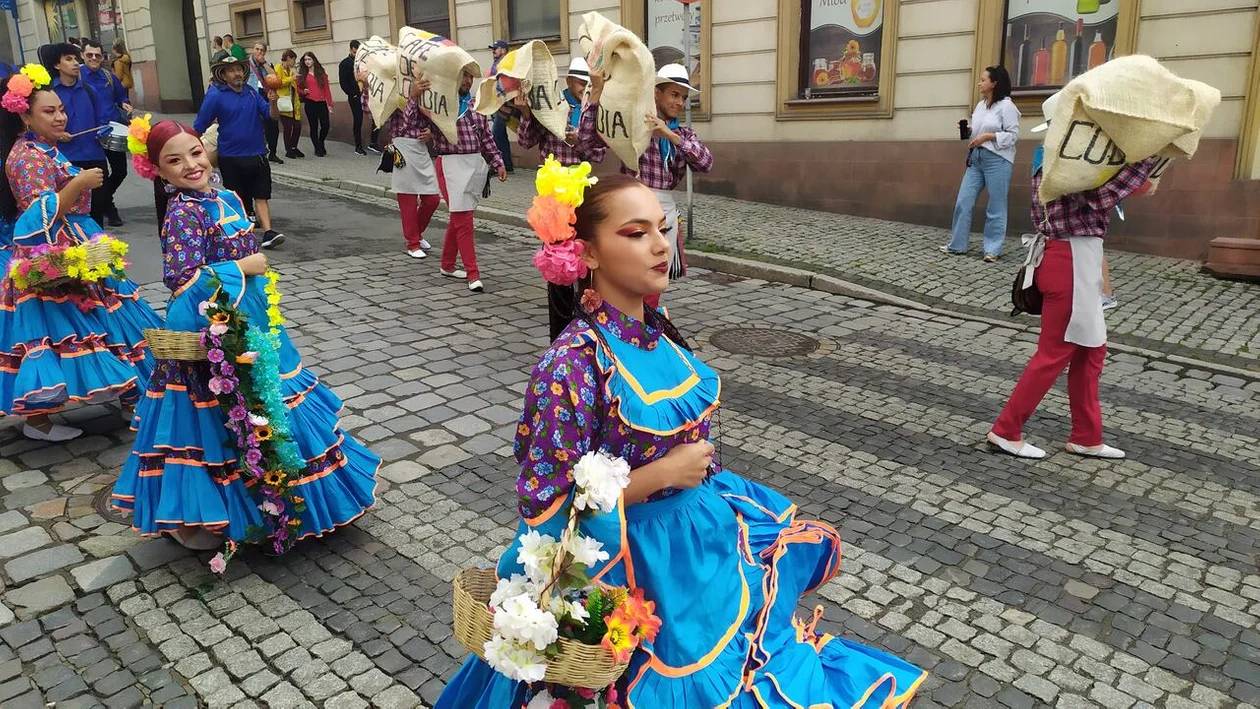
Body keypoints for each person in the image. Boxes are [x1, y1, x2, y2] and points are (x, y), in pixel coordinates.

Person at [435, 170, 926, 708]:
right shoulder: (570, 365)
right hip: (627, 570)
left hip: (699, 543)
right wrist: (659, 477)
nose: (661, 245)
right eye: (636, 232)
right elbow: (546, 506)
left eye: (664, 229)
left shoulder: (659, 325)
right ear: (588, 254)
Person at [111, 120, 380, 551]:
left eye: (195, 153)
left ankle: (282, 498)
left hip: (256, 319)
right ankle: (204, 515)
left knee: (273, 401)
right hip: (221, 327)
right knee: (219, 419)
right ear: (158, 172)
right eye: (174, 161)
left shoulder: (226, 196)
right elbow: (180, 280)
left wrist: (249, 270)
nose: (190, 165)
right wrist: (244, 268)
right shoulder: (184, 212)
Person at [988, 92, 1156, 461]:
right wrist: (1146, 159)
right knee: (1056, 353)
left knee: (1090, 351)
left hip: (1071, 258)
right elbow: (1100, 197)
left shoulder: (1055, 157)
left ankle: (1087, 435)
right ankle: (1006, 430)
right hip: (1071, 261)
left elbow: (1103, 192)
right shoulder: (1067, 161)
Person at [0, 64, 163, 441]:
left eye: (61, 109)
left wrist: (59, 143)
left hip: (79, 240)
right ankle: (40, 420)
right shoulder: (24, 156)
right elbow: (37, 213)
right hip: (56, 251)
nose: (60, 116)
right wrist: (79, 181)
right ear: (25, 115)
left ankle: (133, 398)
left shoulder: (41, 147)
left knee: (111, 318)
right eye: (49, 112)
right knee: (65, 333)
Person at [581, 62, 713, 308]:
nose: (679, 103)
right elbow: (589, 147)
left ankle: (642, 326)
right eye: (674, 95)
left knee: (652, 280)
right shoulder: (634, 125)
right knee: (622, 277)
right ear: (656, 92)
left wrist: (671, 137)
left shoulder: (682, 134)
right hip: (631, 210)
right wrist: (596, 97)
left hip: (663, 213)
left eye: (683, 97)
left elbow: (705, 163)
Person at [514, 56, 608, 340]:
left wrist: (581, 142)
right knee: (558, 264)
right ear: (568, 82)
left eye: (587, 83)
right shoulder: (550, 105)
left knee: (586, 261)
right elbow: (525, 141)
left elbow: (598, 154)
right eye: (580, 82)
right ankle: (559, 335)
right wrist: (526, 114)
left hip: (582, 193)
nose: (584, 87)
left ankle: (586, 328)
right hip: (554, 198)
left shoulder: (593, 109)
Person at [415, 72, 506, 293]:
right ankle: (473, 273)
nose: (467, 81)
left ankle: (447, 265)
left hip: (473, 164)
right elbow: (414, 121)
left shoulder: (475, 105)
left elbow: (486, 137)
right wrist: (414, 95)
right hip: (449, 165)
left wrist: (498, 161)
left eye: (469, 77)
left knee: (460, 216)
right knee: (463, 218)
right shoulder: (439, 103)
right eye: (462, 76)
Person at [193, 57, 285, 249]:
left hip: (257, 154)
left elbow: (271, 116)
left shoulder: (251, 93)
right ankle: (244, 235)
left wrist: (273, 103)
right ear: (224, 75)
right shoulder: (216, 95)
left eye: (239, 69)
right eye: (231, 70)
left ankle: (268, 232)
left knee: (261, 195)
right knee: (239, 198)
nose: (236, 73)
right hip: (231, 157)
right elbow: (200, 124)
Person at [941, 65, 1019, 262]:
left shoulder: (1007, 107)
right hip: (976, 159)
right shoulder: (980, 106)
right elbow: (977, 130)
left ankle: (992, 250)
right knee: (963, 202)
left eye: (983, 80)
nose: (980, 83)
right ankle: (957, 245)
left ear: (994, 83)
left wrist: (986, 137)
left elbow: (1012, 136)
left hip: (998, 161)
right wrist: (969, 131)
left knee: (996, 206)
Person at [40, 43, 115, 227]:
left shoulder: (90, 90)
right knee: (70, 210)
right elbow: (40, 126)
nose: (75, 63)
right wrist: (57, 135)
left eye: (75, 59)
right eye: (68, 59)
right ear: (57, 65)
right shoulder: (50, 93)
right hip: (66, 159)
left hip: (94, 156)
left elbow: (104, 119)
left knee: (98, 206)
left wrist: (103, 131)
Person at [81, 39, 133, 227]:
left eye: (97, 55)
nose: (94, 58)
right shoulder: (77, 76)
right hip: (90, 134)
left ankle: (103, 201)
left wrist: (124, 103)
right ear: (83, 56)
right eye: (89, 55)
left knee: (120, 170)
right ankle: (108, 208)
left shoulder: (108, 76)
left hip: (112, 129)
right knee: (98, 175)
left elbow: (120, 95)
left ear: (103, 57)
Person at [385, 81, 439, 259]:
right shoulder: (393, 90)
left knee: (432, 198)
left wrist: (431, 132)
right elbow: (406, 124)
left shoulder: (425, 86)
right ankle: (413, 242)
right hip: (402, 145)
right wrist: (413, 96)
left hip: (420, 149)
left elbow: (434, 118)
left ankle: (416, 233)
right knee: (407, 197)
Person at [246, 42, 283, 165]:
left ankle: (273, 152)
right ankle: (260, 151)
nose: (259, 52)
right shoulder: (246, 65)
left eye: (262, 50)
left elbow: (275, 77)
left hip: (267, 95)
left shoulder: (266, 65)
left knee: (273, 125)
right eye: (257, 49)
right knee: (258, 125)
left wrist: (264, 63)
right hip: (252, 96)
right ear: (253, 50)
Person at [296, 52, 333, 157]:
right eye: (305, 60)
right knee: (314, 126)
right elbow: (296, 87)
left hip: (321, 102)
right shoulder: (302, 74)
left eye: (309, 59)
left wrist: (330, 104)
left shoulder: (321, 73)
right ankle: (317, 148)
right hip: (310, 102)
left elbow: (326, 89)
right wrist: (304, 91)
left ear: (314, 60)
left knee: (325, 125)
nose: (307, 62)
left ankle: (321, 142)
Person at [486, 39, 514, 174]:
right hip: (496, 103)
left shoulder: (507, 63)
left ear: (503, 50)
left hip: (505, 103)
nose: (493, 51)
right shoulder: (497, 63)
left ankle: (498, 166)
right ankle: (507, 165)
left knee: (496, 134)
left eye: (495, 49)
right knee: (501, 134)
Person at [340, 40, 370, 156]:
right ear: (351, 49)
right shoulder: (345, 64)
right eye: (355, 52)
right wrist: (353, 94)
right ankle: (358, 146)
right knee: (358, 120)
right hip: (355, 96)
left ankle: (373, 142)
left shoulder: (364, 62)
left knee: (375, 118)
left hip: (366, 93)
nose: (357, 55)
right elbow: (343, 83)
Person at [273, 50, 304, 159]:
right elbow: (278, 82)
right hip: (283, 102)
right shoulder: (278, 68)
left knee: (297, 126)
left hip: (293, 101)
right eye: (293, 59)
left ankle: (294, 147)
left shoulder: (291, 70)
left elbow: (294, 85)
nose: (294, 62)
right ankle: (288, 149)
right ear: (288, 58)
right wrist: (292, 78)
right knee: (288, 127)